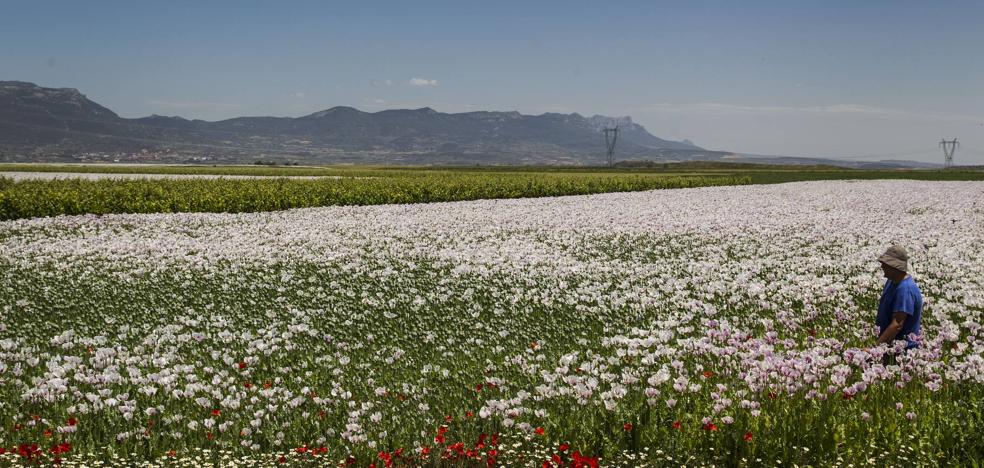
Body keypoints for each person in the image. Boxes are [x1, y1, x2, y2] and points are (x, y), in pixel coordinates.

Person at [875, 245, 923, 364]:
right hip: (889, 348)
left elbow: (897, 324)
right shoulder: (892, 281)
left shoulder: (905, 289)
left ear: (894, 267)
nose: (882, 266)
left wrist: (875, 349)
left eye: (885, 264)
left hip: (902, 353)